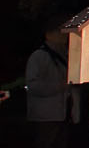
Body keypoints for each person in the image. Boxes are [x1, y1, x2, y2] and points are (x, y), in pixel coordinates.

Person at [18, 19, 73, 148]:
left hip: (63, 113)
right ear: (48, 34)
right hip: (45, 116)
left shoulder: (65, 55)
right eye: (59, 31)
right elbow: (32, 86)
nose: (64, 35)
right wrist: (59, 86)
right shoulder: (38, 56)